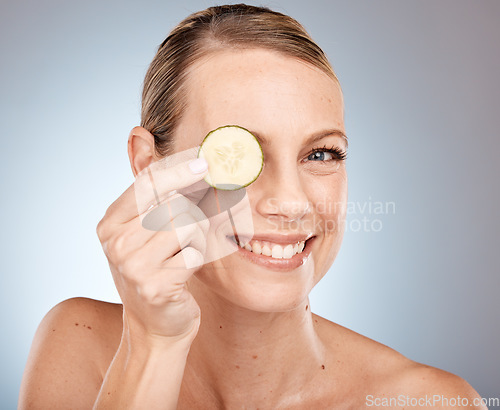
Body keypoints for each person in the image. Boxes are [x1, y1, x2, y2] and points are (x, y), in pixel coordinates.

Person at [19, 4, 485, 409]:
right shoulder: (77, 346)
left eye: (320, 154)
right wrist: (154, 345)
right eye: (236, 155)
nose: (290, 202)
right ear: (147, 166)